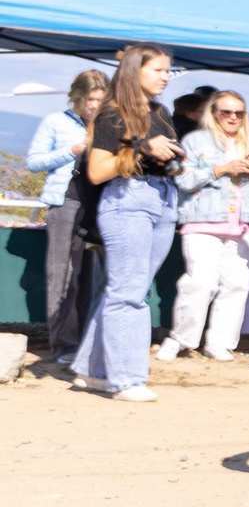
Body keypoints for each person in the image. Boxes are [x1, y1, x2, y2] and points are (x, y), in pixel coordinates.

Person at [69, 43, 186, 401]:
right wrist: (141, 149)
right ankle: (126, 380)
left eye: (169, 70)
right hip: (128, 200)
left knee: (129, 288)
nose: (167, 76)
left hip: (163, 200)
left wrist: (174, 160)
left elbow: (165, 159)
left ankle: (91, 370)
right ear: (136, 72)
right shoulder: (114, 114)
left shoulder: (160, 111)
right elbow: (97, 171)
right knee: (129, 293)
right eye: (159, 70)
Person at [161, 90, 249, 362]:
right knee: (199, 283)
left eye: (238, 113)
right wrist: (222, 168)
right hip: (202, 222)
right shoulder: (195, 141)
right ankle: (181, 339)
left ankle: (220, 342)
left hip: (241, 225)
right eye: (226, 111)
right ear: (213, 113)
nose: (232, 117)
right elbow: (183, 180)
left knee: (236, 285)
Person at [28, 69, 108, 364]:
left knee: (90, 277)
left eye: (100, 100)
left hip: (98, 206)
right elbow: (34, 162)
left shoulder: (107, 124)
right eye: (89, 99)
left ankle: (85, 344)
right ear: (76, 96)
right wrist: (72, 151)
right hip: (65, 204)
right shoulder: (56, 121)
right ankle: (63, 345)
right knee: (63, 277)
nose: (94, 105)